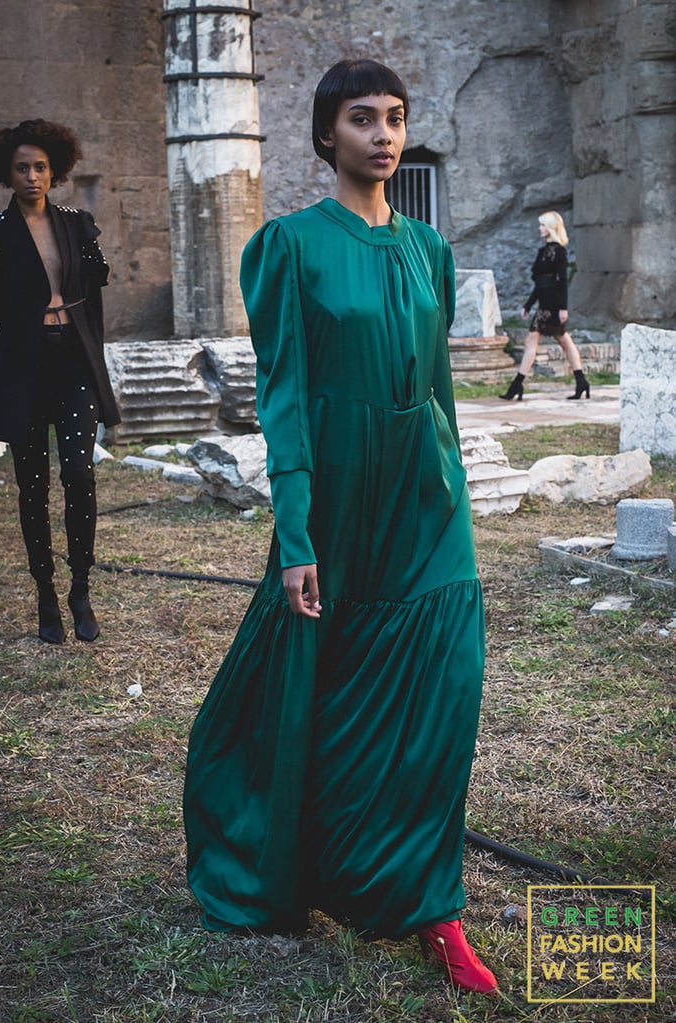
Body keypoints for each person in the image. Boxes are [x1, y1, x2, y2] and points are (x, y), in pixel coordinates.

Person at [183, 59, 498, 997]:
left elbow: (437, 389)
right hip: (339, 498)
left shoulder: (429, 249)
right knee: (323, 687)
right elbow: (284, 399)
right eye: (363, 118)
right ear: (327, 135)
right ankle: (312, 858)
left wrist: (453, 484)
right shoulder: (290, 245)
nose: (383, 134)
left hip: (425, 496)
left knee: (446, 680)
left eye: (395, 117)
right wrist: (296, 534)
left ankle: (434, 906)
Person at [0, 119, 120, 643]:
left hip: (73, 363)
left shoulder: (76, 223)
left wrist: (93, 352)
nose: (31, 176)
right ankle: (45, 593)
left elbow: (96, 288)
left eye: (40, 167)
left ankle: (80, 590)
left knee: (79, 475)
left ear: (55, 171)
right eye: (21, 168)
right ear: (8, 173)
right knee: (32, 485)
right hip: (23, 368)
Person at [500, 210, 590, 401]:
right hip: (544, 302)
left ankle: (516, 385)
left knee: (533, 341)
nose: (540, 228)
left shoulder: (559, 251)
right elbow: (540, 284)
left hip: (553, 304)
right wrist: (528, 305)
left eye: (543, 225)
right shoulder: (543, 251)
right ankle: (581, 381)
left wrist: (563, 308)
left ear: (551, 228)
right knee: (564, 341)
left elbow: (562, 281)